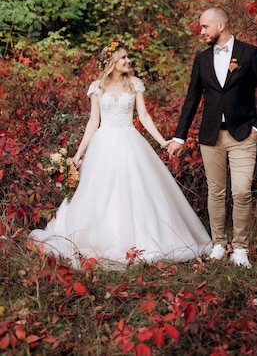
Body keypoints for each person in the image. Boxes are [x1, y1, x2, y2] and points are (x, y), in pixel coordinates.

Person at [29, 40, 212, 268]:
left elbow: (144, 117)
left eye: (127, 57)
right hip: (102, 145)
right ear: (111, 62)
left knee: (136, 190)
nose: (128, 61)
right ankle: (96, 239)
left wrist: (162, 141)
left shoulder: (135, 84)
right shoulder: (97, 87)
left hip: (129, 141)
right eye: (123, 57)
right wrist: (78, 154)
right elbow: (93, 121)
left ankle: (141, 240)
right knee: (99, 193)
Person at [167, 7, 257, 269]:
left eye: (204, 26)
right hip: (210, 136)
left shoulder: (250, 54)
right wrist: (180, 137)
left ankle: (240, 248)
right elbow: (192, 99)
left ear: (221, 25)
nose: (201, 31)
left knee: (241, 192)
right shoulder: (202, 59)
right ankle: (218, 243)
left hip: (242, 135)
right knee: (216, 192)